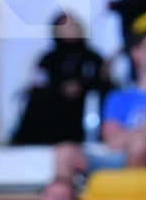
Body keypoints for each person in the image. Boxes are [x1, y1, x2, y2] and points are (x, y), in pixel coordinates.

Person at [57, 26, 146, 177]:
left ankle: (129, 197)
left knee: (141, 146)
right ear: (137, 54)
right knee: (65, 152)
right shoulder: (117, 97)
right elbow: (113, 142)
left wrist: (133, 135)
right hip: (120, 159)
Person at [12, 12, 108, 147]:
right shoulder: (48, 59)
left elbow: (103, 82)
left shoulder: (93, 58)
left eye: (74, 25)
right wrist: (61, 90)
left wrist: (81, 87)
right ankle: (29, 143)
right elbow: (39, 82)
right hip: (54, 101)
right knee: (39, 99)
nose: (72, 29)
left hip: (82, 103)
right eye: (66, 26)